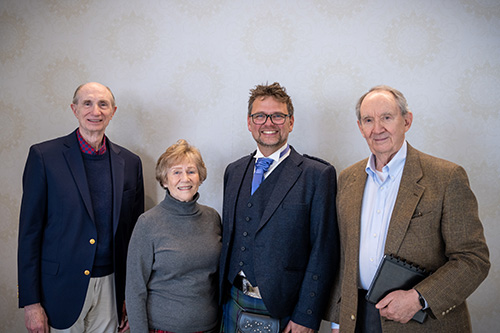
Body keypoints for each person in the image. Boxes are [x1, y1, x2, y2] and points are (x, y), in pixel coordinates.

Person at [325, 85, 490, 332]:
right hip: (357, 320)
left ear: (407, 121)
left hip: (422, 322)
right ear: (360, 128)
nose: (377, 128)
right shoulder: (348, 179)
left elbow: (473, 259)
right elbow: (343, 257)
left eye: (387, 118)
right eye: (368, 120)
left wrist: (418, 298)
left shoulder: (446, 178)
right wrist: (339, 320)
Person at [18, 82, 145, 332]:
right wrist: (31, 303)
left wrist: (128, 296)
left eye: (103, 104)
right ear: (74, 109)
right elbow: (29, 234)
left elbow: (135, 237)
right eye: (87, 103)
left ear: (113, 111)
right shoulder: (44, 157)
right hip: (59, 290)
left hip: (112, 287)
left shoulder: (130, 163)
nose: (95, 111)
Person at [219, 82, 339, 332]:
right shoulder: (234, 170)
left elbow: (323, 251)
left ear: (291, 122)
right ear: (250, 123)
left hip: (285, 311)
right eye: (260, 116)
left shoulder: (317, 175)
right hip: (232, 300)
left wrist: (306, 316)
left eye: (278, 116)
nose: (269, 123)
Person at [126, 139, 222, 333]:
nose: (184, 178)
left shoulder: (212, 218)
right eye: (176, 172)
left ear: (200, 177)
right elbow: (135, 289)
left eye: (191, 171)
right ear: (164, 179)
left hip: (210, 327)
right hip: (163, 328)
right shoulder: (148, 223)